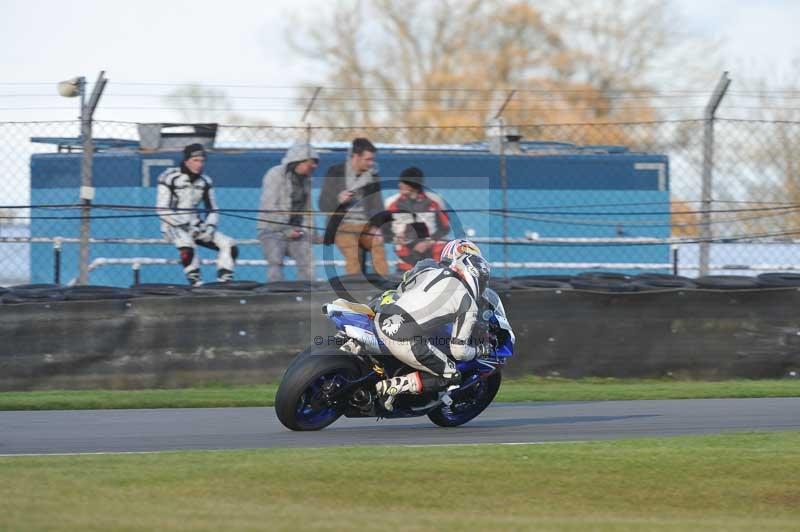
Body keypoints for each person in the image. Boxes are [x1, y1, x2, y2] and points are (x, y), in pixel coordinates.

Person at [373, 249, 492, 411]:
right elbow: (458, 351)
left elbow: (402, 289)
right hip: (403, 337)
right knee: (451, 375)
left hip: (382, 317)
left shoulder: (431, 271)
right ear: (475, 275)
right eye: (484, 280)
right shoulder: (468, 304)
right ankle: (389, 387)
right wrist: (480, 350)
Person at [156, 143, 238, 286]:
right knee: (187, 245)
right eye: (195, 160)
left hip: (196, 225)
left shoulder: (206, 181)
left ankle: (224, 282)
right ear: (186, 160)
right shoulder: (169, 177)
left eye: (202, 161)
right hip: (172, 225)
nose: (199, 164)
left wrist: (210, 226)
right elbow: (161, 208)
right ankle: (195, 283)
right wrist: (183, 225)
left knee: (229, 244)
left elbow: (212, 209)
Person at [319, 137, 389, 276]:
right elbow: (323, 204)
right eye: (367, 159)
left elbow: (377, 205)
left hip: (365, 226)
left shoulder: (372, 177)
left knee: (378, 250)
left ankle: (385, 287)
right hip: (342, 226)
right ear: (356, 157)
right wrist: (339, 200)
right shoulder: (335, 172)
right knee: (353, 254)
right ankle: (354, 290)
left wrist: (376, 227)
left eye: (372, 159)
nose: (371, 163)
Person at [257, 143, 320, 282]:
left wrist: (313, 234)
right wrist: (286, 230)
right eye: (312, 162)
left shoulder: (307, 180)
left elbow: (308, 210)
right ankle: (275, 295)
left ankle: (305, 295)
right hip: (271, 229)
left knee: (307, 262)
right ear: (299, 160)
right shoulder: (275, 174)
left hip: (297, 231)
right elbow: (269, 206)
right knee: (275, 261)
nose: (315, 166)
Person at [384, 167, 451, 273]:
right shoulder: (391, 203)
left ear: (414, 185)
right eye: (400, 182)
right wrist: (395, 237)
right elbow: (384, 231)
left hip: (432, 258)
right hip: (405, 260)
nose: (399, 185)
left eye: (404, 182)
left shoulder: (434, 201)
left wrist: (428, 242)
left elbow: (445, 228)